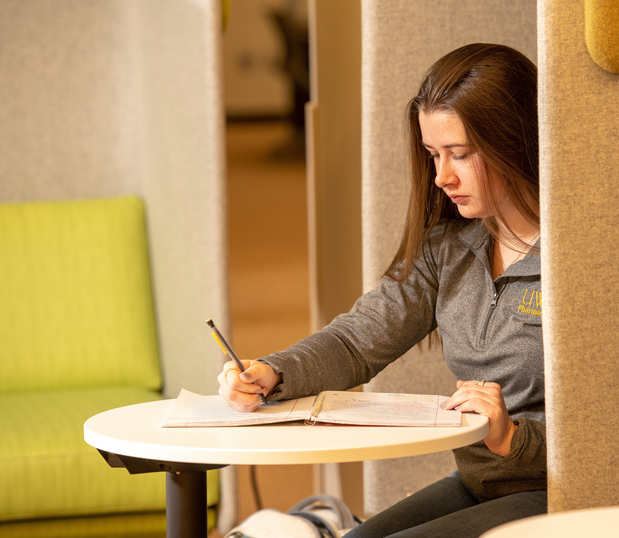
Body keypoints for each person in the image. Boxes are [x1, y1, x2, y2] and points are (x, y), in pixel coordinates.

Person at [218, 43, 545, 537]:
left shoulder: (582, 263)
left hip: (556, 489)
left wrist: (512, 438)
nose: (441, 177)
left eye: (460, 154)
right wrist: (272, 371)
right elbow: (357, 340)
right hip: (482, 480)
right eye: (434, 154)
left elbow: (615, 421)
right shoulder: (450, 245)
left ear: (513, 142)